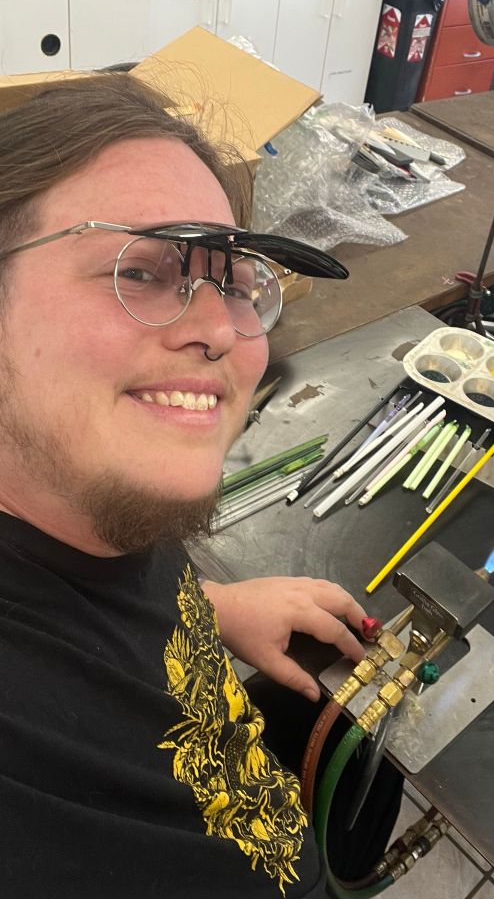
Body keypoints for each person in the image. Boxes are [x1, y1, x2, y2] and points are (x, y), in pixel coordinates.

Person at [0, 74, 398, 897]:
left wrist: (207, 613)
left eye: (241, 284)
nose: (222, 332)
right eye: (142, 271)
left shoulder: (90, 498)